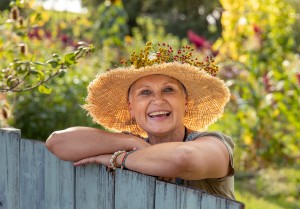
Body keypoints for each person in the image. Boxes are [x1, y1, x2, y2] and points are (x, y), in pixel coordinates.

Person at [45, 42, 235, 200]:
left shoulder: (214, 144)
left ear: (186, 101)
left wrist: (119, 159)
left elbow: (182, 159)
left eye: (168, 90)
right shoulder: (133, 145)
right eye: (145, 92)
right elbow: (57, 142)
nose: (158, 100)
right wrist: (129, 141)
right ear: (131, 107)